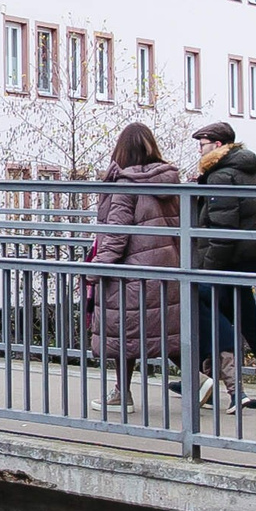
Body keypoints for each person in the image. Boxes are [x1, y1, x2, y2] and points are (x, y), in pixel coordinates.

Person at [85, 122, 191, 411]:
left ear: (121, 150)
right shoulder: (169, 182)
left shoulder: (125, 185)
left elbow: (116, 234)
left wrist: (96, 270)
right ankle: (199, 380)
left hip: (130, 272)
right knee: (166, 330)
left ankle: (122, 394)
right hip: (167, 269)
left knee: (122, 332)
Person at [189, 121, 256, 409]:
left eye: (203, 143)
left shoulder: (221, 176)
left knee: (198, 305)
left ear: (218, 146)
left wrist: (206, 269)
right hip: (251, 258)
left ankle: (200, 380)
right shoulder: (253, 171)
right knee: (247, 321)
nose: (199, 148)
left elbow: (222, 229)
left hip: (228, 262)